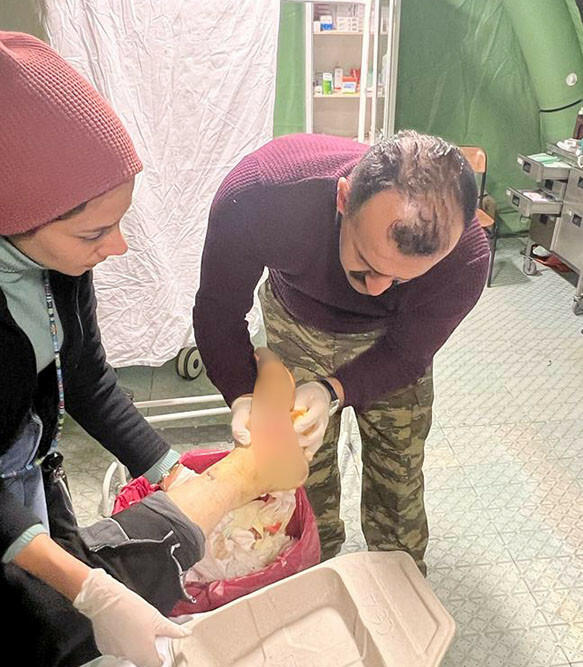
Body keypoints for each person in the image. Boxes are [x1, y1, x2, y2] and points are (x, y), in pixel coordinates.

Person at [0, 31, 308, 667]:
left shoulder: (58, 265)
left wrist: (170, 470)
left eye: (120, 222)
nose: (117, 247)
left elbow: (86, 379)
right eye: (95, 232)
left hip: (29, 466)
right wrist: (89, 590)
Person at [194, 130, 491, 574]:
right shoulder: (262, 194)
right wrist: (242, 395)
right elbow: (218, 310)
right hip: (296, 320)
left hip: (388, 341)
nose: (377, 289)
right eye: (366, 264)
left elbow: (407, 354)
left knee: (398, 474)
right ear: (343, 198)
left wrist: (332, 390)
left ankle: (395, 579)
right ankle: (312, 567)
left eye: (402, 279)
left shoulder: (466, 258)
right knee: (297, 474)